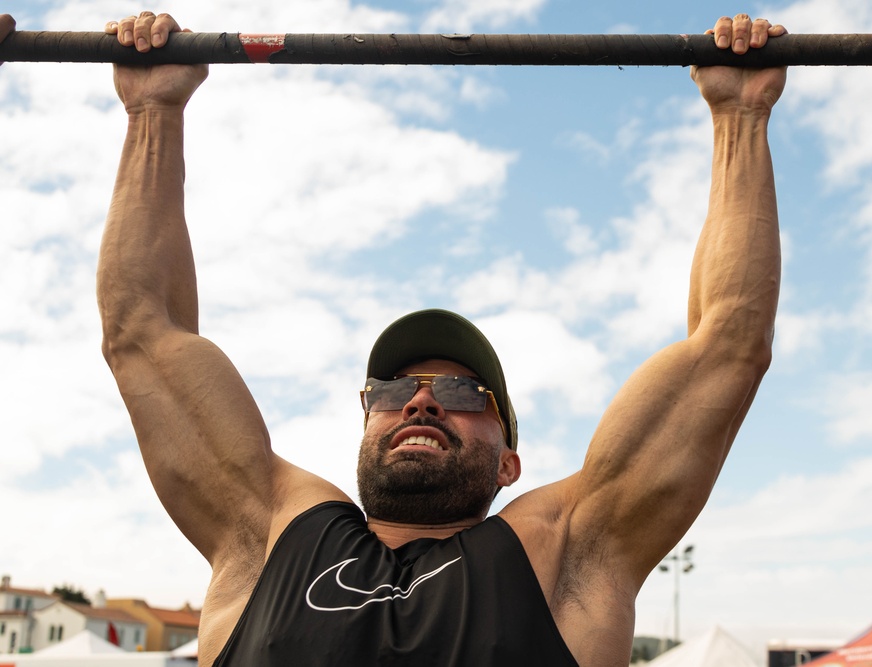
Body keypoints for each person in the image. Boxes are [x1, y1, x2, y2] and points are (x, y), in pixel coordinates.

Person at [98, 11, 785, 667]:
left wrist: (740, 117)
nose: (420, 402)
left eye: (460, 390)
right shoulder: (270, 532)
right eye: (395, 389)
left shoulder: (562, 553)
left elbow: (728, 345)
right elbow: (140, 328)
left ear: (509, 462)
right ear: (366, 421)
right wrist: (152, 114)